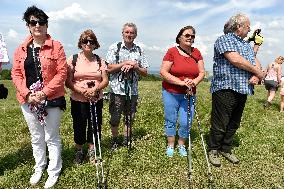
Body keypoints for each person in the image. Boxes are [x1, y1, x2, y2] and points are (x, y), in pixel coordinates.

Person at [11, 6, 67, 188]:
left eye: (41, 22)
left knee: (51, 136)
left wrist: (44, 93)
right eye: (33, 22)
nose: (38, 25)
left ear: (46, 25)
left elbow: (62, 73)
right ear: (28, 25)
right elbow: (16, 74)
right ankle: (39, 166)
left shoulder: (56, 46)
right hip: (28, 101)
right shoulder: (20, 49)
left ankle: (53, 171)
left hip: (51, 98)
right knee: (36, 137)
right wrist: (27, 95)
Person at [208, 13, 265, 167]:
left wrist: (256, 74)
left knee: (234, 122)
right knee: (221, 121)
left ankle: (226, 148)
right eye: (248, 27)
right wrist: (258, 71)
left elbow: (253, 60)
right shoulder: (225, 39)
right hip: (226, 87)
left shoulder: (246, 44)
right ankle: (213, 149)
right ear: (239, 26)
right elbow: (235, 59)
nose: (249, 30)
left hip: (242, 88)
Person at [160, 26, 205, 157]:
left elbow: (201, 72)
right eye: (187, 35)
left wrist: (194, 82)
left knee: (186, 121)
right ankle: (170, 144)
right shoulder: (172, 52)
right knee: (171, 119)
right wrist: (181, 82)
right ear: (179, 37)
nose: (190, 38)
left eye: (192, 36)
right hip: (171, 92)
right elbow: (163, 72)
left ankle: (181, 144)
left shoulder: (197, 53)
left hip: (189, 93)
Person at [65, 29, 108, 164]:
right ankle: (79, 151)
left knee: (95, 125)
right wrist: (81, 91)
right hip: (78, 99)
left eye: (91, 41)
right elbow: (68, 81)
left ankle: (91, 151)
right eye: (85, 41)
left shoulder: (100, 60)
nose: (88, 43)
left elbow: (105, 80)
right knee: (79, 125)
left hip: (96, 98)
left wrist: (96, 89)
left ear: (95, 44)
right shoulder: (73, 59)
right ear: (81, 43)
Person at [106, 23, 149, 149]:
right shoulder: (115, 47)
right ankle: (114, 140)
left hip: (132, 90)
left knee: (130, 117)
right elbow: (108, 68)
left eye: (132, 33)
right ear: (122, 33)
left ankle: (126, 139)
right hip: (116, 90)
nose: (129, 35)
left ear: (135, 35)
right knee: (115, 117)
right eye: (127, 32)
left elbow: (145, 72)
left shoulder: (139, 50)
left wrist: (135, 67)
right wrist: (123, 64)